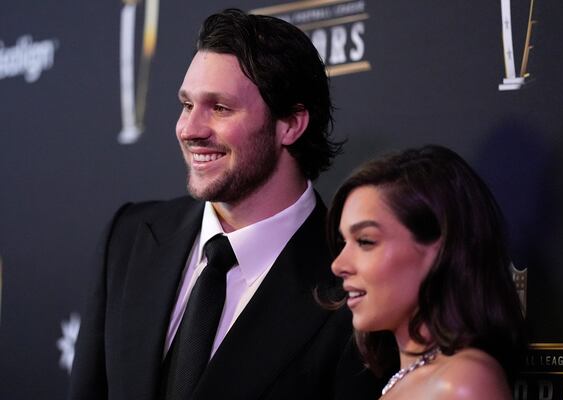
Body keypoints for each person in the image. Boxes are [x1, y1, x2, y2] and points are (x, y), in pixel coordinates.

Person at [69, 8, 380, 400]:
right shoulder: (130, 238)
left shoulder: (350, 281)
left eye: (220, 108)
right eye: (186, 105)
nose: (190, 129)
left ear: (291, 124)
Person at [328, 145, 525, 399]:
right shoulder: (409, 379)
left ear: (440, 248)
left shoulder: (461, 384)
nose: (338, 264)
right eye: (343, 242)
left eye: (365, 241)